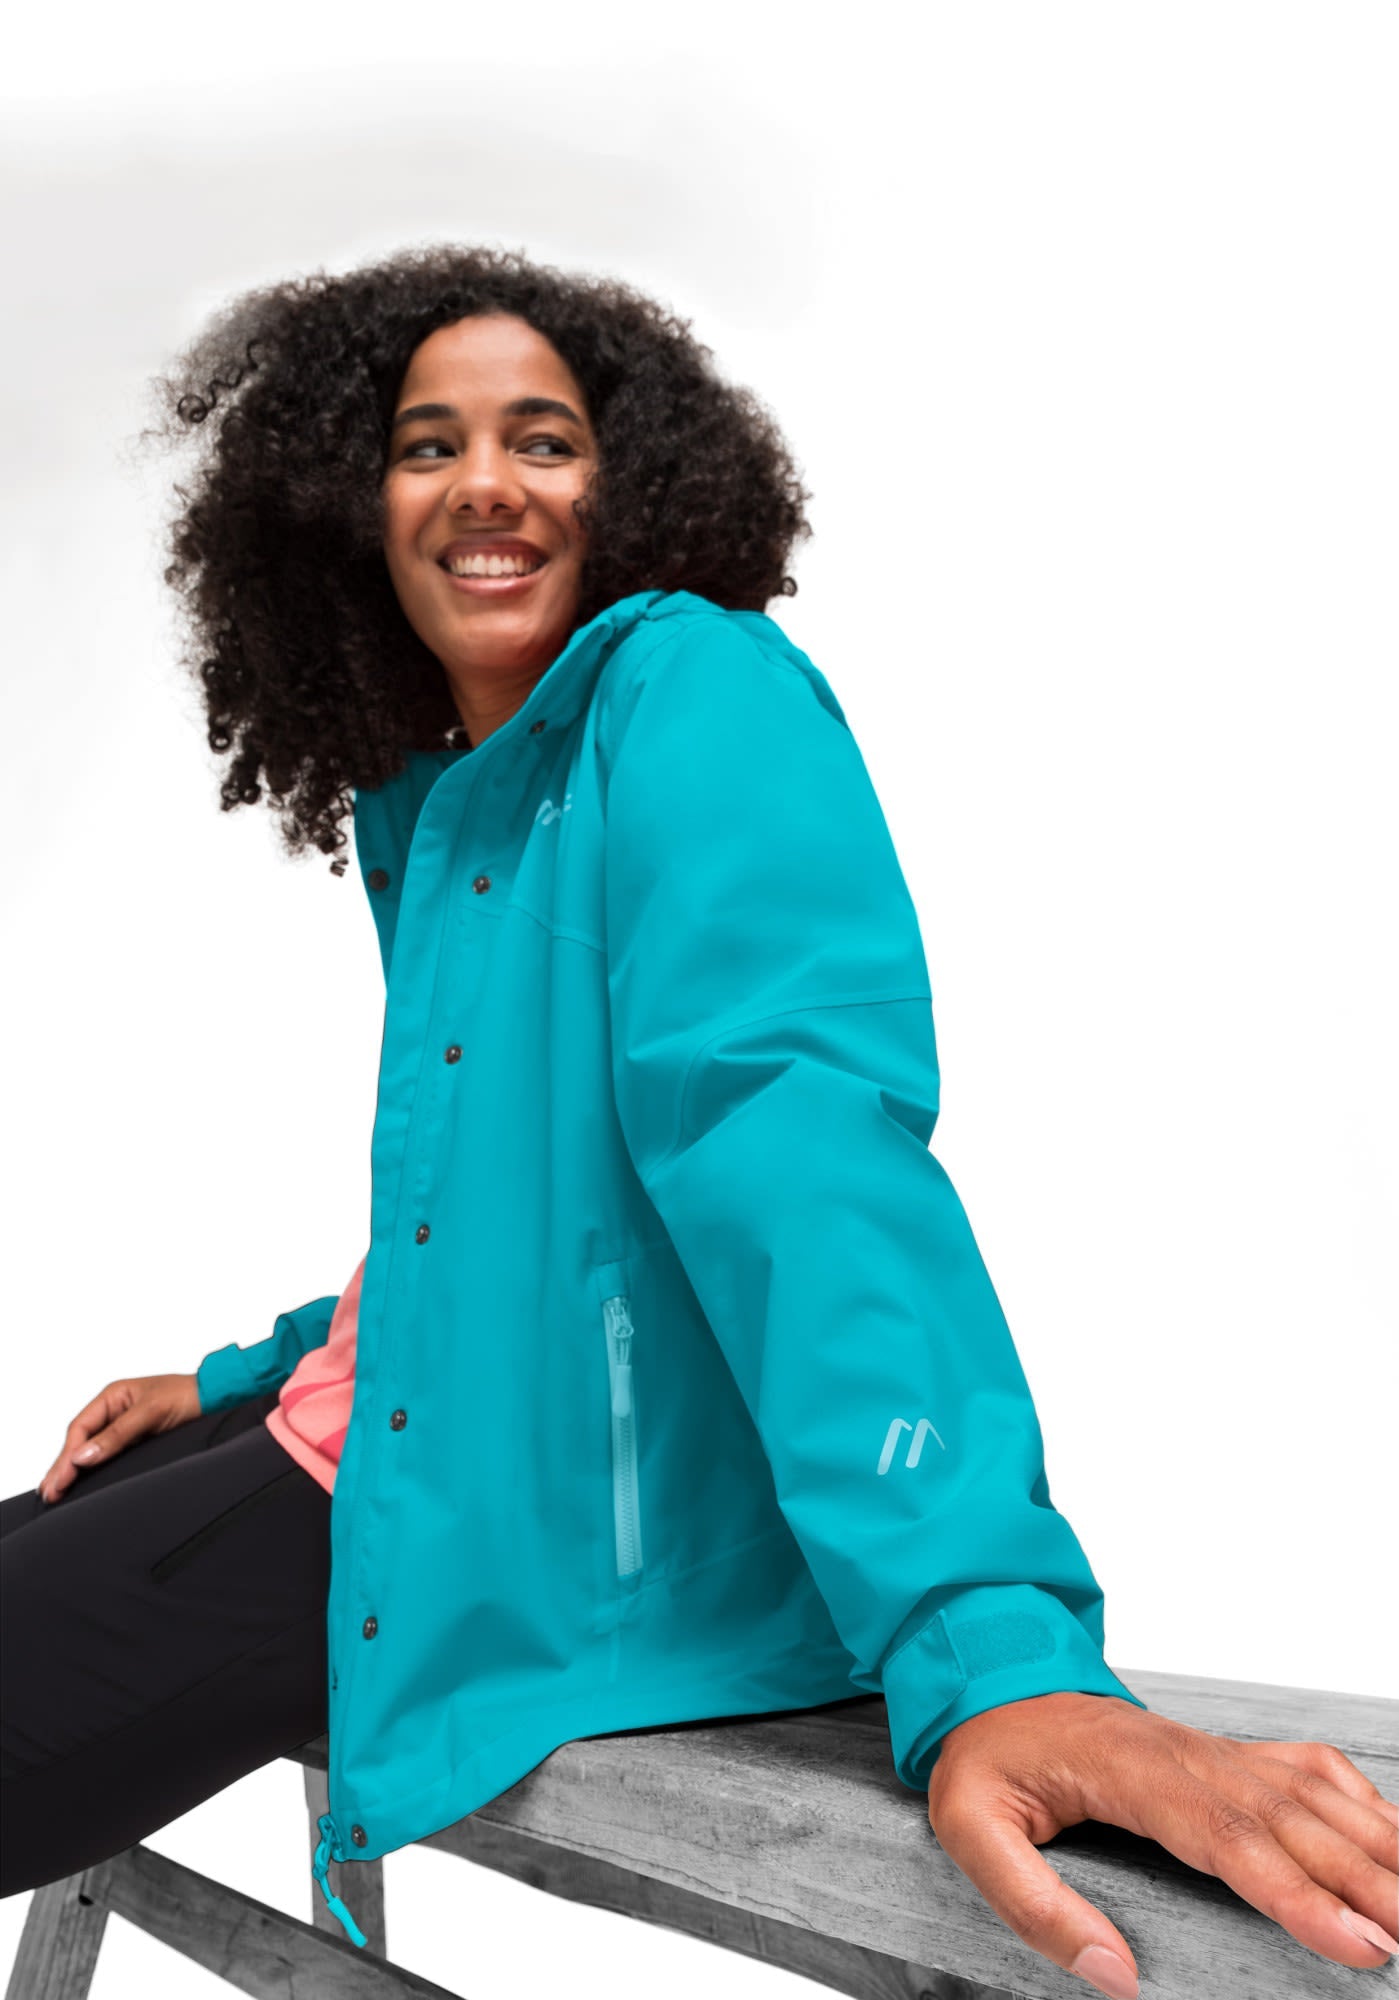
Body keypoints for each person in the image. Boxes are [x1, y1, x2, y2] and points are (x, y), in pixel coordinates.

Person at [2, 246, 1394, 1998]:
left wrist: (990, 1643)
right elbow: (496, 1204)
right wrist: (240, 1370)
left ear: (637, 487)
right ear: (350, 511)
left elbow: (794, 1146)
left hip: (481, 1514)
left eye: (545, 440)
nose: (486, 482)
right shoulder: (443, 801)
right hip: (388, 1425)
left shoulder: (689, 692)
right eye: (428, 445)